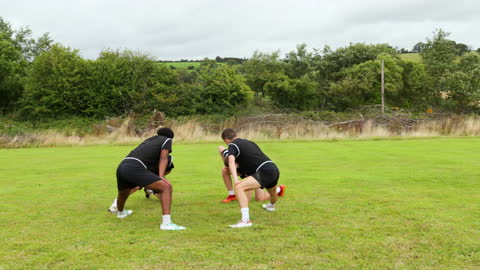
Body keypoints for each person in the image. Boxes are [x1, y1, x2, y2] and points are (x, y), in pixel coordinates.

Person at [108, 127, 186, 230]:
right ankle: (166, 224)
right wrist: (161, 177)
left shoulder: (149, 140)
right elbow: (163, 158)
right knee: (166, 187)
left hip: (123, 165)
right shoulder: (167, 140)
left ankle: (121, 213)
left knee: (123, 193)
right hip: (135, 167)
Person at [221, 128, 282, 228]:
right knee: (273, 193)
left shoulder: (232, 144)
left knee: (239, 187)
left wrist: (236, 180)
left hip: (263, 171)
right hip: (273, 168)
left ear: (226, 140)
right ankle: (271, 206)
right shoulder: (249, 142)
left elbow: (231, 161)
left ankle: (245, 221)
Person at [217, 146, 285, 203]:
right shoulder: (230, 157)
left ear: (237, 164)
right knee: (224, 170)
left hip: (257, 174)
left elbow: (247, 199)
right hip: (243, 171)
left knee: (259, 198)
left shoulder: (247, 166)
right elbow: (220, 147)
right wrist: (225, 161)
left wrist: (243, 197)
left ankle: (279, 189)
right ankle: (231, 195)